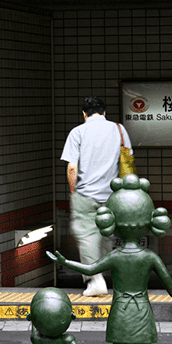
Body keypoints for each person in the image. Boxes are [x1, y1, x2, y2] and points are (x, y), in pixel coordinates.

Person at [47, 175, 172, 344]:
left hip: (121, 310)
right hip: (142, 309)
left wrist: (66, 261)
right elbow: (166, 279)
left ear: (112, 221)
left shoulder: (116, 256)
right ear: (149, 220)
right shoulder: (149, 256)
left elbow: (90, 269)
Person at [59, 96, 132, 296]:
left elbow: (72, 167)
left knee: (87, 236)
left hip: (85, 194)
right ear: (104, 112)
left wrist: (74, 191)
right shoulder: (119, 129)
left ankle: (95, 279)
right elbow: (127, 163)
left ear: (84, 114)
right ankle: (106, 273)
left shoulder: (77, 132)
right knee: (107, 236)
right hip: (112, 195)